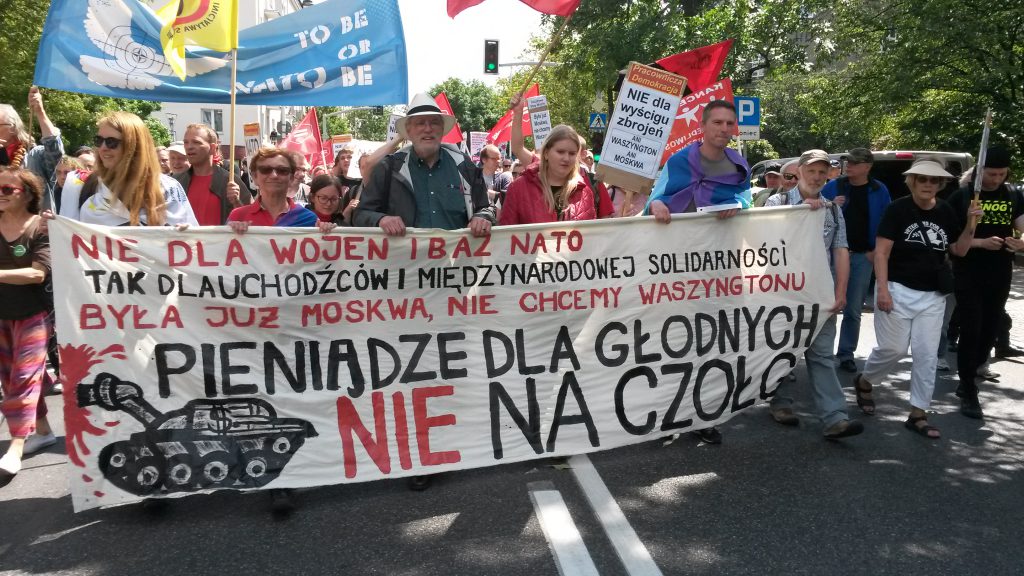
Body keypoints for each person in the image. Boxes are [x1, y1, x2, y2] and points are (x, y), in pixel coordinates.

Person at [354, 92, 494, 490]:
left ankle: (455, 440)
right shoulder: (389, 167)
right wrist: (381, 220)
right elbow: (361, 213)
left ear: (442, 129)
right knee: (413, 372)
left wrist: (484, 216)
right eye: (420, 124)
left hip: (456, 286)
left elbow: (487, 208)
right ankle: (419, 457)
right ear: (409, 131)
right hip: (405, 290)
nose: (428, 129)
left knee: (454, 365)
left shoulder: (464, 166)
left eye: (434, 123)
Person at [227, 148, 331, 512]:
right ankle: (277, 478)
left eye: (282, 170)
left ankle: (302, 466)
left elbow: (325, 266)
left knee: (296, 394)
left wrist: (327, 237)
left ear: (292, 176)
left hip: (297, 322)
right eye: (266, 169)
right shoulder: (239, 217)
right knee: (266, 398)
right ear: (254, 176)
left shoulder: (307, 219)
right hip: (254, 325)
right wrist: (230, 236)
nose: (274, 175)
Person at [642, 99, 750, 444]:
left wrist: (737, 208)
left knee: (713, 343)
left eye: (729, 124)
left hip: (720, 267)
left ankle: (705, 414)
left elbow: (747, 205)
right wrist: (656, 205)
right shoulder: (680, 161)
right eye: (717, 122)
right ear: (703, 127)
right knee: (674, 341)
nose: (723, 129)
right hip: (677, 266)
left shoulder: (739, 165)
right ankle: (665, 414)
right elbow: (654, 202)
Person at [853, 159, 980, 438]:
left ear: (940, 184)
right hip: (898, 290)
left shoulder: (946, 211)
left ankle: (918, 413)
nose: (928, 185)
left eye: (934, 181)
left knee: (926, 356)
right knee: (895, 349)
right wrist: (882, 290)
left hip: (933, 295)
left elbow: (959, 250)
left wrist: (971, 226)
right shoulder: (897, 209)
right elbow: (882, 253)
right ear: (912, 182)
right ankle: (865, 381)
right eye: (922, 179)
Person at [763, 149, 863, 440]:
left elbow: (840, 249)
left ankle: (835, 417)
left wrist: (840, 291)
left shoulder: (832, 208)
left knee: (821, 355)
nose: (817, 177)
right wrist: (798, 215)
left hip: (820, 293)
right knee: (780, 350)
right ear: (800, 171)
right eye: (812, 171)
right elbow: (766, 243)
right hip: (782, 293)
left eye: (823, 172)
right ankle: (780, 402)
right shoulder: (777, 202)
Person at [946, 147, 1024, 419]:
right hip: (968, 271)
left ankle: (975, 368)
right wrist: (978, 238)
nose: (997, 179)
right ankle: (968, 386)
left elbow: (1022, 226)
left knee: (991, 328)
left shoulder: (1013, 194)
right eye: (992, 174)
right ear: (980, 172)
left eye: (1002, 174)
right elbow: (954, 246)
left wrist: (1020, 242)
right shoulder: (963, 197)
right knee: (972, 327)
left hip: (1000, 271)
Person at [0, 168, 55, 476]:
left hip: (34, 315)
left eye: (8, 189)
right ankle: (44, 431)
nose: (2, 193)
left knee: (23, 377)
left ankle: (16, 446)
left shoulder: (40, 227)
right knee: (11, 379)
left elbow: (37, 273)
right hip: (2, 315)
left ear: (29, 194)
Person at [57, 112, 197, 227]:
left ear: (134, 146)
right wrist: (52, 228)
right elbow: (68, 241)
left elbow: (195, 244)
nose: (103, 147)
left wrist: (185, 236)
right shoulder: (80, 186)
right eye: (98, 140)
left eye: (112, 142)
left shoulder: (169, 188)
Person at [821, 148, 892, 373]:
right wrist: (831, 205)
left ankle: (846, 353)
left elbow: (887, 222)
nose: (848, 165)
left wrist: (875, 251)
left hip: (863, 256)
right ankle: (822, 352)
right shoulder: (834, 186)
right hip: (833, 256)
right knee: (827, 306)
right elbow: (812, 213)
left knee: (853, 309)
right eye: (847, 162)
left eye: (854, 162)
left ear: (867, 166)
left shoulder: (878, 189)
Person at [499, 125, 596, 225]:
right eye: (560, 152)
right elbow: (507, 235)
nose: (566, 158)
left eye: (572, 153)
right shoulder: (518, 188)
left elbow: (591, 235)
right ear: (546, 153)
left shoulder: (585, 193)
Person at [172, 124, 252, 226]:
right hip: (184, 242)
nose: (189, 147)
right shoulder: (176, 182)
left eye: (196, 142)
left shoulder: (230, 180)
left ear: (213, 148)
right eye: (186, 142)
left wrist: (236, 202)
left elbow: (251, 219)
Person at [0, 87, 65, 209]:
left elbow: (54, 149)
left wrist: (40, 112)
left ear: (13, 127)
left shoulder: (35, 156)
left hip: (35, 226)